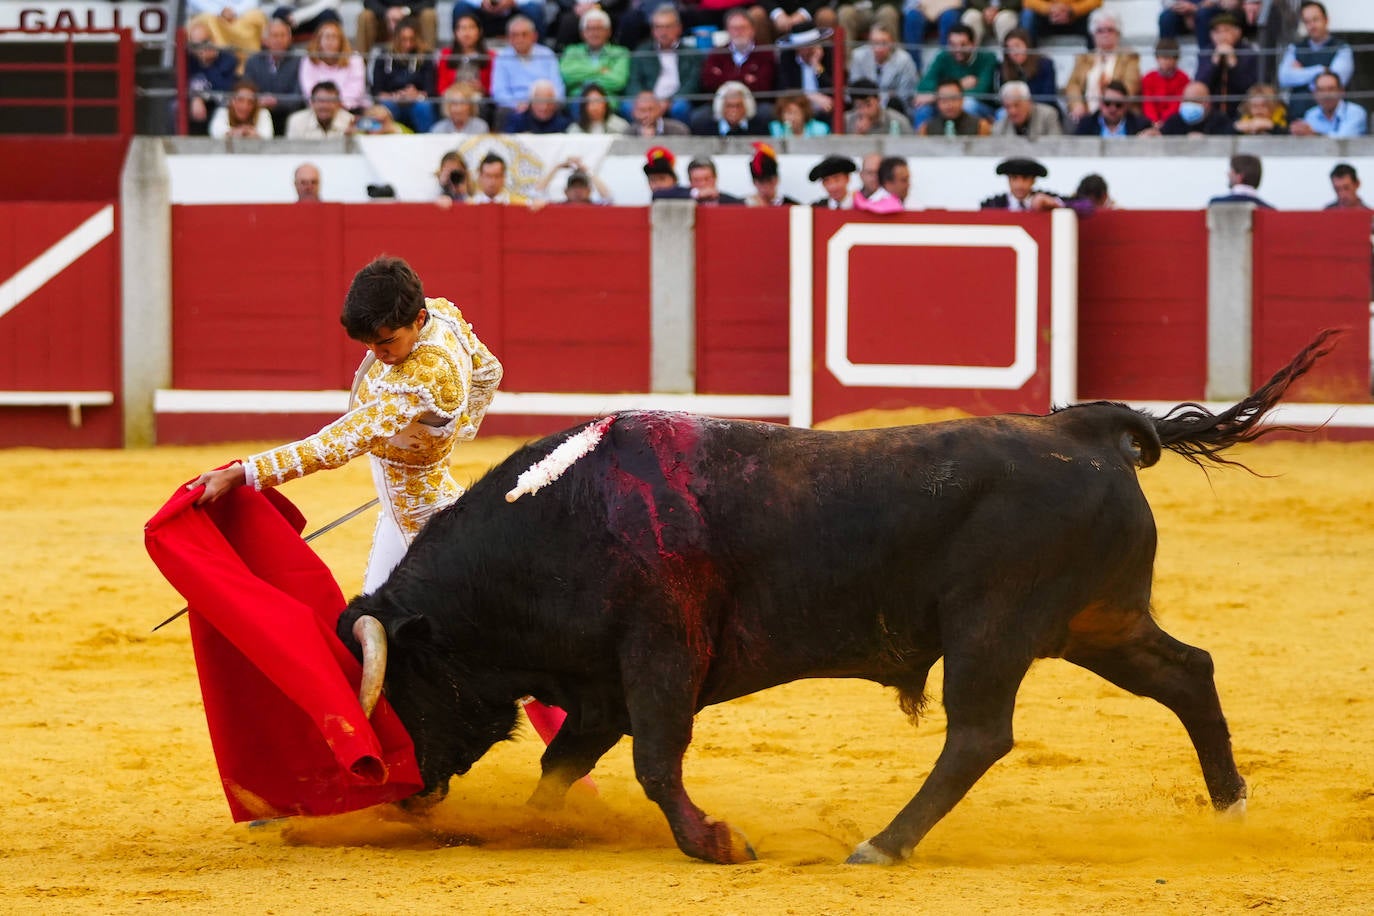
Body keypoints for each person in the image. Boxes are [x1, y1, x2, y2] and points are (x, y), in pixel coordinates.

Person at [189, 255, 503, 595]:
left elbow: (335, 444)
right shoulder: (441, 315)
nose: (377, 353)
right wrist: (449, 432)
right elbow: (488, 371)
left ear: (418, 319)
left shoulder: (421, 379)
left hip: (421, 527)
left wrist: (243, 473)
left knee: (392, 626)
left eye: (386, 343)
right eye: (368, 344)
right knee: (378, 621)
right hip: (410, 508)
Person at [623, 6, 701, 124]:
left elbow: (692, 84)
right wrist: (647, 101)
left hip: (675, 100)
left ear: (679, 28)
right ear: (652, 31)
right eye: (658, 27)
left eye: (668, 27)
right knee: (626, 107)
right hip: (647, 99)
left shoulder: (691, 53)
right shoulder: (642, 51)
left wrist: (669, 101)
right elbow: (633, 82)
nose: (663, 32)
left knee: (681, 108)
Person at [1278, 1, 1354, 119]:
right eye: (1307, 21)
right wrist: (1320, 70)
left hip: (1327, 119)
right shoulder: (1295, 48)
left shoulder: (1342, 48)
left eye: (1315, 19)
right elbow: (1284, 77)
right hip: (1296, 117)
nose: (1312, 25)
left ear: (1326, 20)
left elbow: (1333, 83)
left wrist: (1300, 73)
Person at [1063, 9, 1140, 125]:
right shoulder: (1083, 58)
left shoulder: (1129, 58)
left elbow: (1130, 87)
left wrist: (1110, 106)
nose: (1105, 34)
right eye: (1100, 30)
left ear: (1118, 34)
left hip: (1118, 114)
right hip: (1087, 115)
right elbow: (1072, 85)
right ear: (1093, 34)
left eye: (1110, 30)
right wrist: (1077, 105)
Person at [913, 24, 997, 127]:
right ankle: (921, 142)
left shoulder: (988, 59)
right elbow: (924, 86)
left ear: (973, 44)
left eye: (963, 45)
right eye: (953, 45)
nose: (958, 49)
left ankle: (967, 141)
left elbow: (981, 92)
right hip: (947, 103)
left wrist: (940, 96)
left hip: (982, 107)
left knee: (967, 104)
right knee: (924, 109)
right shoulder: (943, 57)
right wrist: (960, 84)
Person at [490, 15, 565, 129]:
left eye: (524, 34)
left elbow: (558, 88)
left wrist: (545, 103)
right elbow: (498, 91)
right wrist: (517, 104)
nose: (520, 39)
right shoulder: (502, 57)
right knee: (503, 113)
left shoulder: (546, 54)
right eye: (515, 35)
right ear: (509, 38)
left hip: (544, 103)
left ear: (534, 36)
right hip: (515, 107)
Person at [370, 17, 438, 133]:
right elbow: (377, 91)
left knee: (424, 107)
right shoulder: (383, 57)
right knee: (384, 107)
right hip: (392, 100)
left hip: (416, 101)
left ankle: (427, 143)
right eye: (403, 39)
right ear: (396, 38)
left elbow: (430, 90)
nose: (408, 44)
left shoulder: (426, 57)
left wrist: (417, 94)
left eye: (412, 39)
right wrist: (394, 96)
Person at [243, 15, 304, 135]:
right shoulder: (253, 61)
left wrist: (276, 101)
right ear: (265, 40)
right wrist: (260, 101)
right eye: (275, 36)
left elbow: (298, 98)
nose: (279, 40)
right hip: (259, 114)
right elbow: (247, 91)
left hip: (288, 115)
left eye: (283, 35)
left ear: (290, 38)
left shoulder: (299, 61)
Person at [700, 9, 778, 102]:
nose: (738, 32)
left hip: (756, 102)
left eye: (743, 28)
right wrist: (745, 78)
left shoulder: (765, 53)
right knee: (700, 116)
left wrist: (724, 78)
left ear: (752, 30)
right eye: (734, 28)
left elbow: (764, 86)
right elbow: (708, 83)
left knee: (766, 112)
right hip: (723, 103)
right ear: (728, 31)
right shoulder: (717, 53)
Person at [1194, 12, 1259, 118]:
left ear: (1238, 32)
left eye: (1226, 30)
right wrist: (1214, 63)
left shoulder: (1248, 53)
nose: (1222, 36)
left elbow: (1250, 87)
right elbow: (1200, 85)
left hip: (1241, 109)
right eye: (1217, 32)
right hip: (1211, 112)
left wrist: (1233, 64)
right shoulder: (1206, 52)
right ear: (1211, 35)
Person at [559, 8, 631, 101]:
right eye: (590, 29)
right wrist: (601, 70)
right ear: (582, 33)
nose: (594, 33)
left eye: (599, 28)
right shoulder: (571, 51)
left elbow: (618, 82)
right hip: (579, 100)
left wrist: (583, 79)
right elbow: (567, 76)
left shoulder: (620, 53)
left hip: (608, 101)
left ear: (609, 32)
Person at [184, 21, 239, 135]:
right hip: (196, 102)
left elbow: (225, 88)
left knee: (222, 110)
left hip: (218, 102)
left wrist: (209, 64)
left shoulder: (228, 59)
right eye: (196, 45)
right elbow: (183, 84)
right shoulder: (189, 60)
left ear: (212, 40)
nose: (201, 48)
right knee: (175, 107)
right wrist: (196, 97)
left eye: (205, 42)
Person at [298, 20, 367, 111]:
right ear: (319, 41)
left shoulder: (355, 59)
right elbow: (308, 90)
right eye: (326, 37)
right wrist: (325, 105)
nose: (330, 41)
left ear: (341, 41)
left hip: (350, 109)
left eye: (334, 37)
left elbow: (355, 90)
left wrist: (335, 105)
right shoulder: (308, 60)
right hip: (318, 110)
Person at [848, 24, 919, 112]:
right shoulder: (858, 56)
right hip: (864, 107)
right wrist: (885, 96)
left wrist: (880, 102)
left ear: (892, 43)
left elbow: (905, 94)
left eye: (884, 43)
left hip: (894, 110)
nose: (879, 48)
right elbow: (857, 88)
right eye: (875, 43)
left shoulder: (904, 60)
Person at [776, 27, 843, 120]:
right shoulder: (788, 59)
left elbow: (832, 88)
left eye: (812, 44)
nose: (809, 49)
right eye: (804, 46)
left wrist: (817, 66)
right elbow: (786, 88)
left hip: (825, 107)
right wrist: (812, 97)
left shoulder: (827, 55)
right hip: (799, 105)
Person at [187, 0, 268, 68]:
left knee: (256, 16)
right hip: (212, 14)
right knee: (209, 20)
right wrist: (220, 11)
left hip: (241, 15)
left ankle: (252, 62)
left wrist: (235, 11)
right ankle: (221, 59)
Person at [1290, 69, 1368, 138]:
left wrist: (1314, 135)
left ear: (1341, 91)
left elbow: (1344, 140)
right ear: (1314, 94)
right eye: (1321, 90)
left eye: (1331, 89)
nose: (1326, 95)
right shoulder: (1311, 114)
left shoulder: (1356, 112)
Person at [436, 12, 493, 97]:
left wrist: (482, 89)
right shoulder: (446, 55)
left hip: (479, 99)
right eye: (462, 28)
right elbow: (441, 88)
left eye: (471, 28)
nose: (466, 33)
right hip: (452, 100)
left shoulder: (490, 56)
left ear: (479, 31)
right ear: (455, 33)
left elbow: (493, 89)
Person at [1073, 80, 1156, 136]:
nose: (1113, 109)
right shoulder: (1086, 125)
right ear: (1100, 104)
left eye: (1118, 104)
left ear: (1126, 105)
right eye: (1107, 103)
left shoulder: (1140, 126)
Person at [998, 28, 1057, 106]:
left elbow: (1048, 97)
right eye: (1009, 49)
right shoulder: (1004, 69)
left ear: (1027, 45)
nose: (1014, 52)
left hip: (1040, 108)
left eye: (1017, 46)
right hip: (1013, 110)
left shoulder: (1045, 64)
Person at [690, 81, 769, 136]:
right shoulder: (705, 129)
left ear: (747, 107)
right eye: (729, 106)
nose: (734, 110)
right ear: (721, 107)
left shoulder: (760, 128)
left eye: (738, 106)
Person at [1140, 37, 1188, 127]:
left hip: (1173, 122)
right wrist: (1154, 121)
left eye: (1170, 58)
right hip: (1151, 122)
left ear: (1176, 59)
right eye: (1164, 57)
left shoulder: (1183, 78)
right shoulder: (1148, 78)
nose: (1167, 61)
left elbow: (1177, 104)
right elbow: (1148, 104)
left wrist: (1164, 122)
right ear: (1157, 58)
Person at [1159, 81, 1236, 135]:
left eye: (1194, 101)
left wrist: (1206, 141)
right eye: (1186, 101)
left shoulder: (1220, 121)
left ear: (1207, 102)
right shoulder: (1174, 121)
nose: (1189, 104)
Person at [917, 81, 991, 136]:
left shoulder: (981, 126)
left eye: (953, 99)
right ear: (937, 102)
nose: (949, 105)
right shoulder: (926, 129)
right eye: (944, 100)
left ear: (962, 99)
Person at [991, 80, 1060, 138]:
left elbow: (1056, 145)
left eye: (1017, 105)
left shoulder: (1048, 115)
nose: (1012, 111)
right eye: (1007, 106)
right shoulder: (1000, 125)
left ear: (1029, 102)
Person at [285, 79, 355, 137]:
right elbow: (292, 151)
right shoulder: (296, 121)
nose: (324, 106)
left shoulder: (350, 121)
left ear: (339, 104)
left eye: (330, 101)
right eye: (320, 101)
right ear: (312, 103)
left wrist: (349, 139)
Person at [209, 79, 276, 138]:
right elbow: (215, 132)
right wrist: (239, 132)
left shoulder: (262, 113)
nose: (244, 106)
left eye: (250, 102)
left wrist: (248, 133)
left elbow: (267, 136)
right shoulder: (223, 111)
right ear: (232, 101)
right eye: (240, 100)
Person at [1018, 0, 1102, 48]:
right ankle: (1028, 60)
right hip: (1047, 18)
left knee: (1098, 17)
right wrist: (1049, 9)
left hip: (1077, 18)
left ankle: (1095, 63)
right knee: (1027, 15)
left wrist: (1072, 10)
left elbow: (1096, 1)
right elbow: (1027, 1)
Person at [453, 0, 546, 42]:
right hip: (483, 16)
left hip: (514, 15)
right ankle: (460, 51)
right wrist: (481, 2)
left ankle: (539, 52)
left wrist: (514, 2)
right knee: (461, 7)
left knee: (533, 9)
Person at [844, 79, 914, 135]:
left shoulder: (898, 121)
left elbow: (911, 146)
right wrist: (858, 134)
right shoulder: (846, 121)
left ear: (878, 100)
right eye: (859, 106)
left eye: (868, 105)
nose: (864, 110)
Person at [504, 79, 573, 133]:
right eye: (540, 102)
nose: (544, 107)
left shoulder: (564, 123)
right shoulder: (517, 121)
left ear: (555, 104)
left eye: (548, 102)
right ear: (531, 102)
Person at [1208, 153, 1274, 208]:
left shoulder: (1216, 203)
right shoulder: (1269, 209)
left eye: (1231, 171)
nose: (1228, 174)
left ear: (1239, 177)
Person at [537, 156, 614, 203]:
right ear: (566, 191)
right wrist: (557, 167)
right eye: (574, 187)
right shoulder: (559, 207)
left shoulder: (596, 207)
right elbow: (536, 194)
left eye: (581, 187)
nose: (577, 191)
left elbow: (608, 197)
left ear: (589, 191)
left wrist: (587, 170)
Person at [471, 151, 536, 205]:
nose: (492, 181)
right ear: (480, 177)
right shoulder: (470, 205)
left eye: (497, 176)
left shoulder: (521, 204)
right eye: (488, 176)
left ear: (504, 177)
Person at [745, 142, 798, 207]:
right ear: (754, 183)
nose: (765, 187)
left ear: (776, 180)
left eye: (769, 181)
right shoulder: (743, 206)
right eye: (761, 182)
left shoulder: (791, 206)